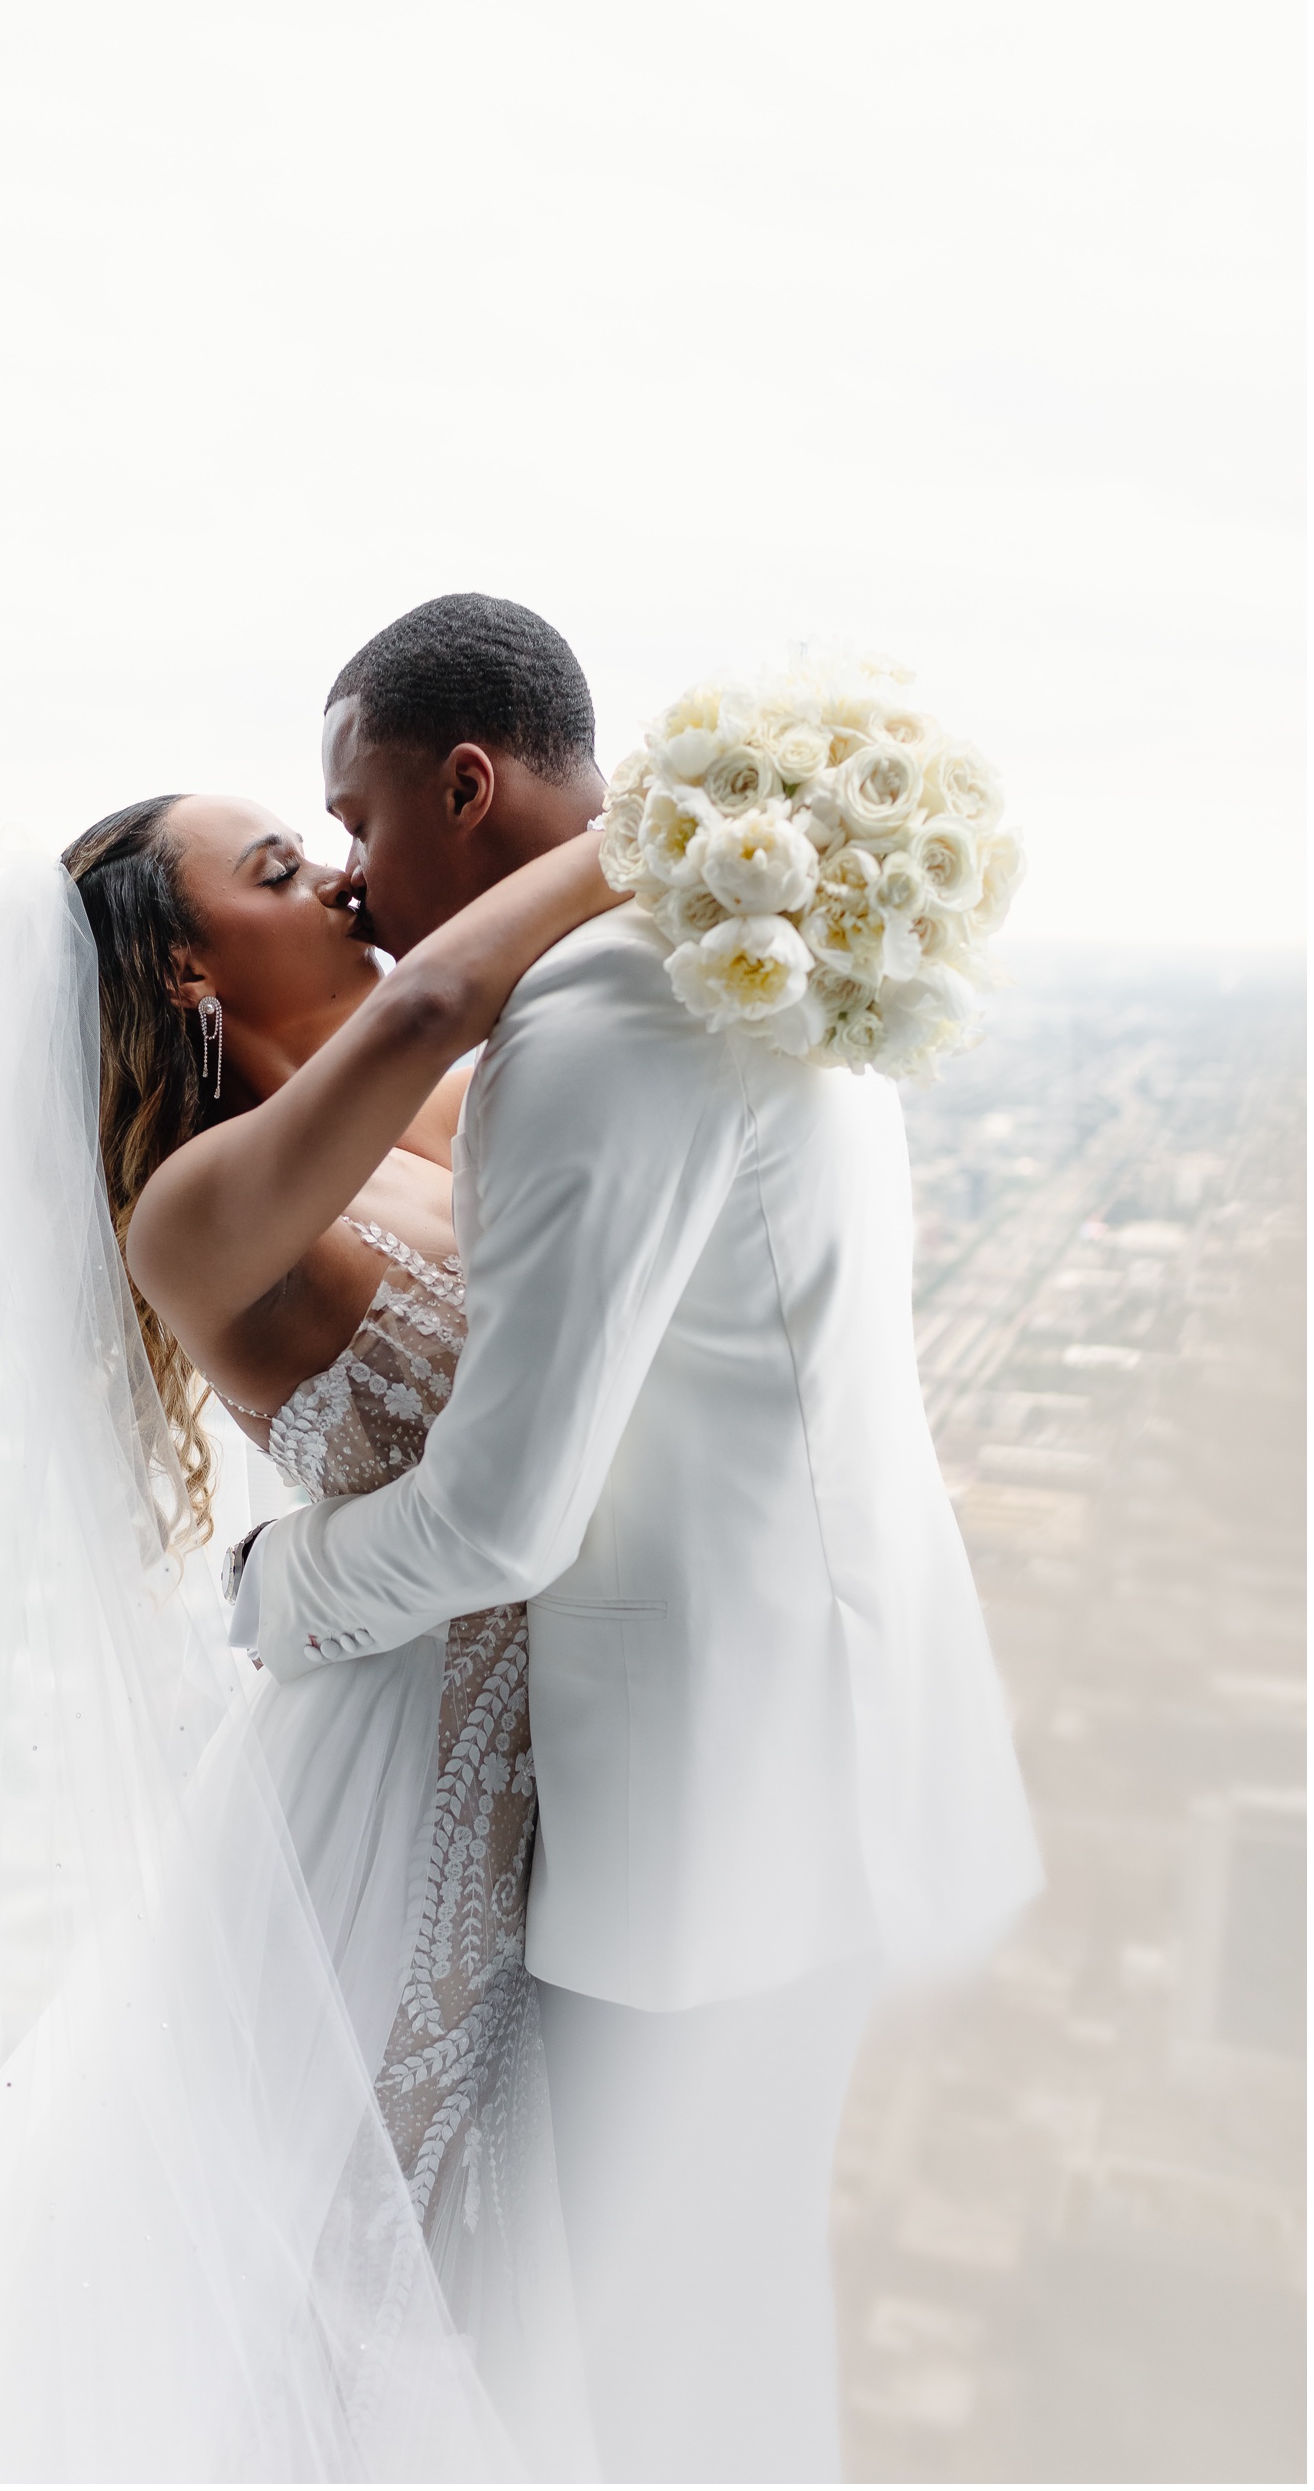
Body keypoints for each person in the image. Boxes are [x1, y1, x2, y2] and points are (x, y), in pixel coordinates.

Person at [0, 771, 620, 2481]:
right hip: (392, 1793)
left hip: (520, 1741)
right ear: (189, 970)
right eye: (280, 865)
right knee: (347, 2290)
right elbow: (432, 991)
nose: (337, 875)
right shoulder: (195, 1204)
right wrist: (681, 836)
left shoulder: (431, 1126)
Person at [230, 592, 1046, 2480]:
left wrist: (276, 1592)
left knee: (647, 2370)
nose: (355, 880)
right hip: (824, 1763)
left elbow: (506, 1516)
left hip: (711, 1830)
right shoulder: (734, 963)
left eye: (357, 822)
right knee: (725, 2335)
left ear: (463, 783)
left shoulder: (603, 1036)